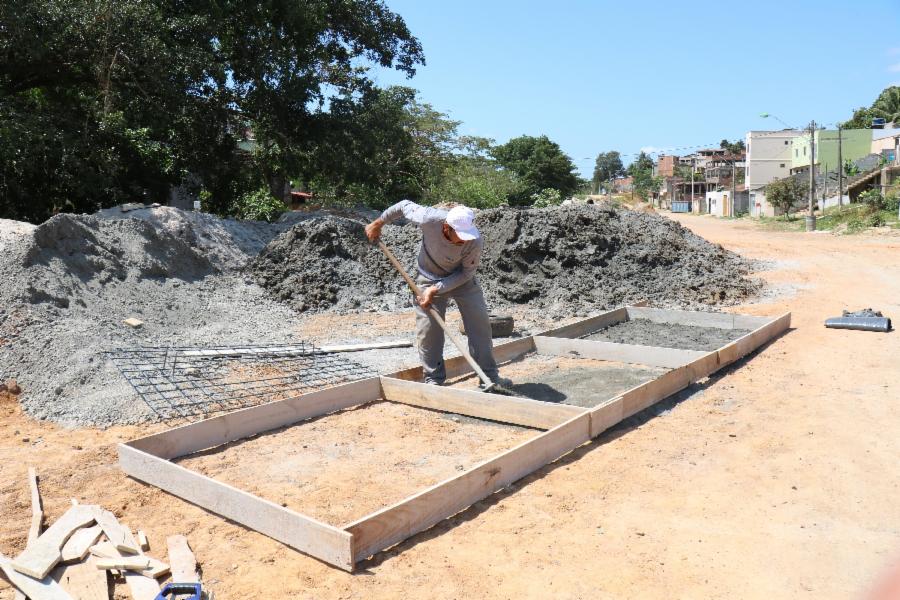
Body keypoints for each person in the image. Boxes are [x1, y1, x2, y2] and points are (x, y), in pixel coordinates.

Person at [365, 200, 507, 387]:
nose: (464, 240)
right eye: (459, 235)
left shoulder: (474, 241)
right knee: (428, 330)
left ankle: (489, 377)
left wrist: (437, 289)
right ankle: (434, 379)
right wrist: (377, 223)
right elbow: (402, 205)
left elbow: (467, 273)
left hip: (461, 279)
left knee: (480, 324)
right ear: (446, 227)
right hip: (429, 276)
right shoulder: (428, 218)